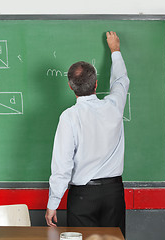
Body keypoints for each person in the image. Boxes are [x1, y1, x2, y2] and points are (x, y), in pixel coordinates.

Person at [45, 31, 129, 238]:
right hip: (113, 193)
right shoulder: (114, 106)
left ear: (70, 87)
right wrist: (115, 50)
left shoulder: (69, 117)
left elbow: (62, 165)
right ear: (96, 84)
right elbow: (120, 80)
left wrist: (52, 203)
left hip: (83, 196)